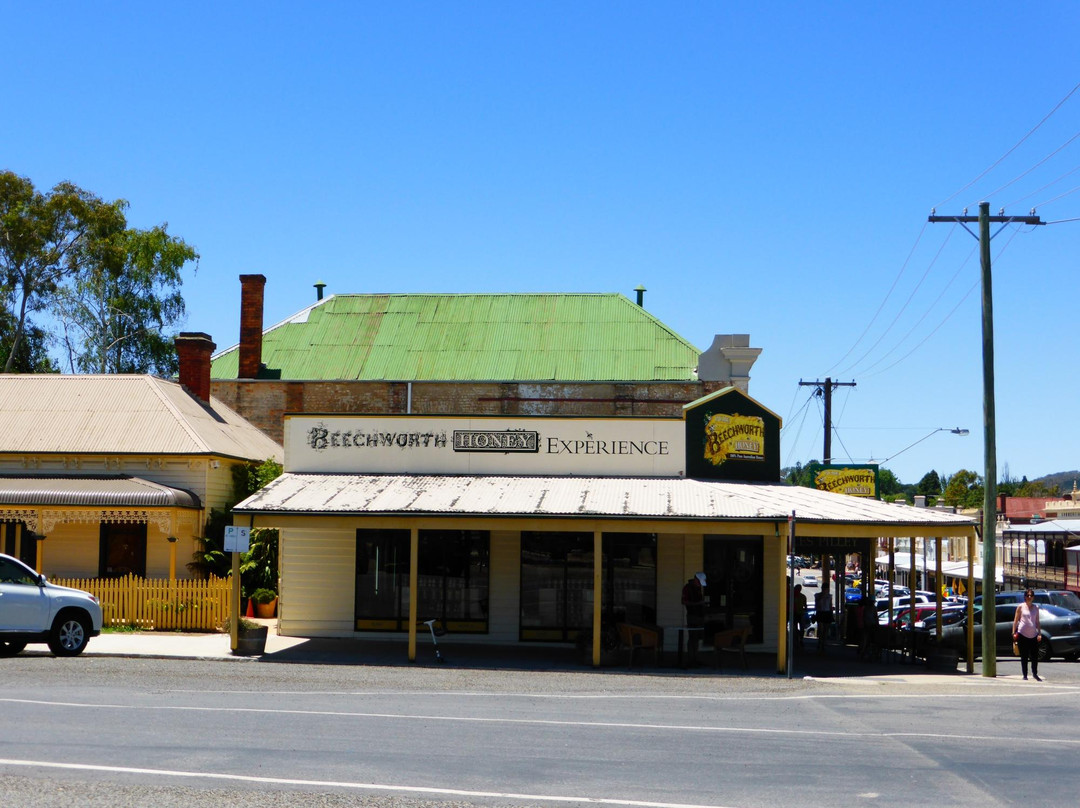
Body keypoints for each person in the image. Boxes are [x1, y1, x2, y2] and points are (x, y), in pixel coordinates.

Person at [1012, 588, 1043, 681]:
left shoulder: (1036, 608)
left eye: (1031, 595)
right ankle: (1025, 675)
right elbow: (1016, 620)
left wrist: (1039, 633)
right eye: (1028, 595)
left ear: (1033, 597)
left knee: (1034, 656)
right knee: (1024, 656)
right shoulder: (1020, 607)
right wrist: (1013, 632)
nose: (1029, 597)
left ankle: (1035, 673)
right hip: (1022, 634)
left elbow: (1037, 621)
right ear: (1025, 597)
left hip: (1033, 635)